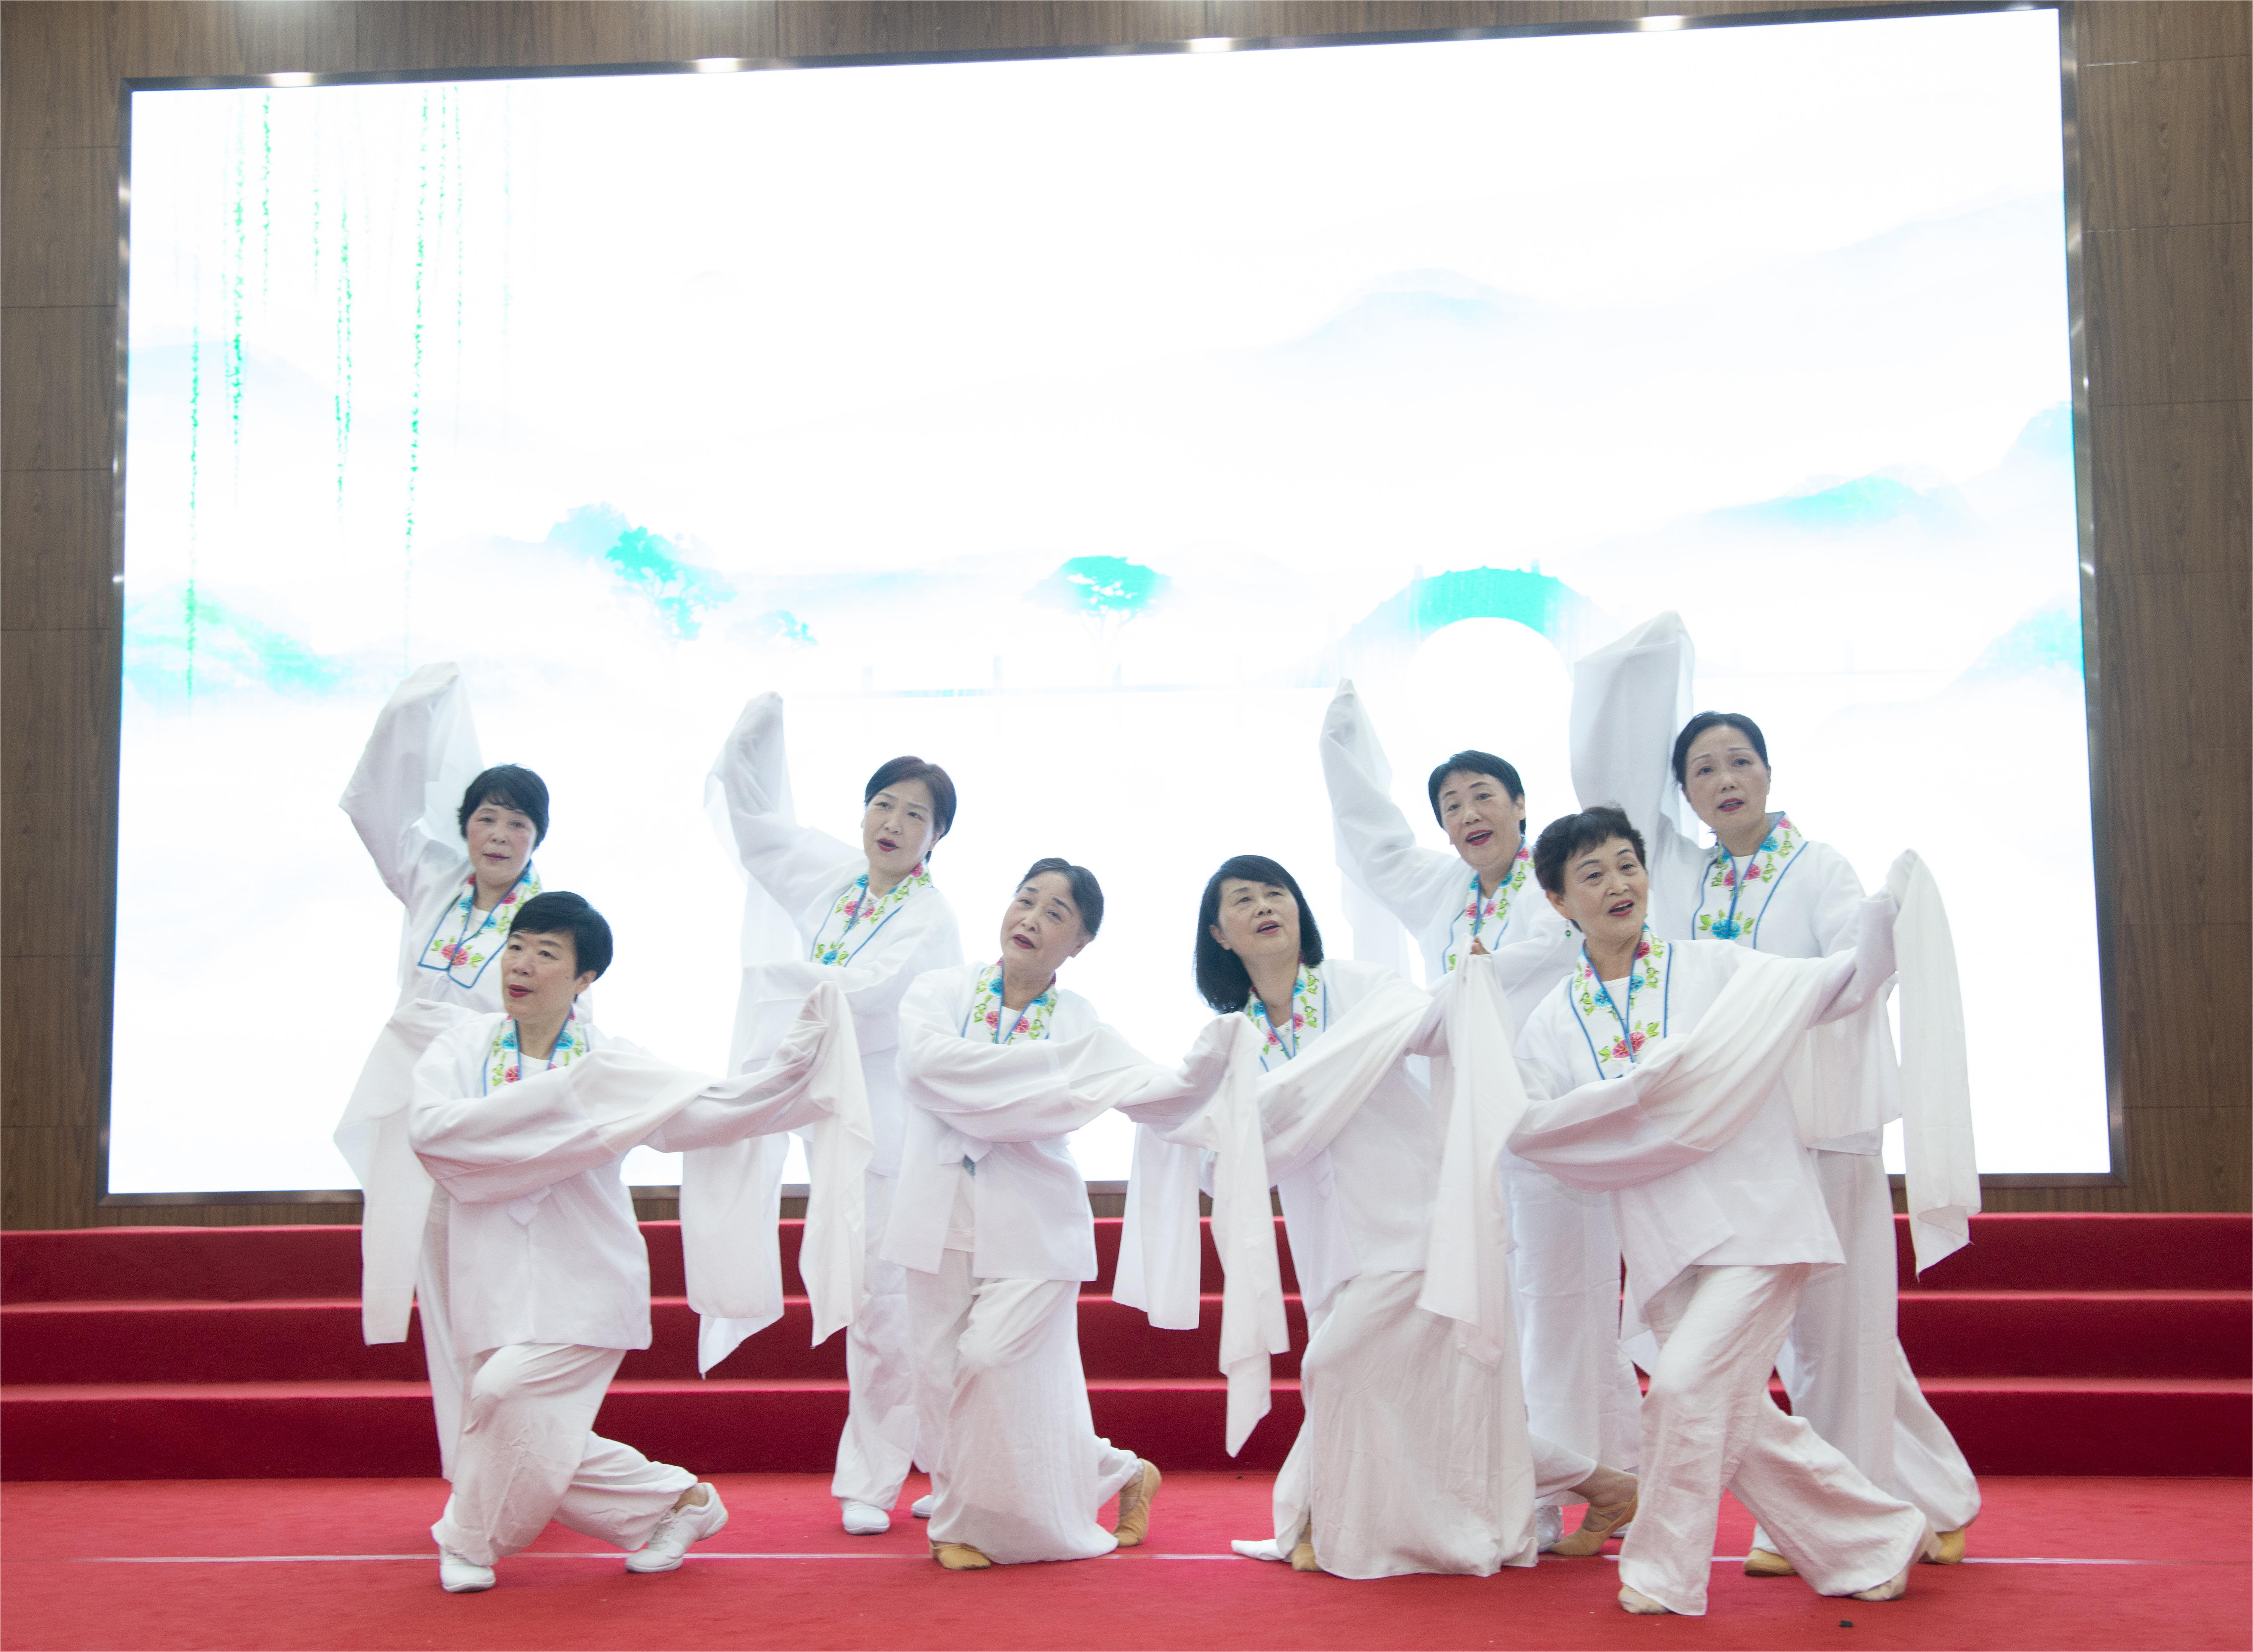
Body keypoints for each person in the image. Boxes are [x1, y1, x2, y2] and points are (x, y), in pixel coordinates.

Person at [1568, 614, 1979, 1569]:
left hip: (1823, 1125)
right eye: (1703, 769)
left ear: (1767, 772)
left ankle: (1849, 1516)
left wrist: (1866, 938)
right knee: (1797, 1338)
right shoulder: (1684, 877)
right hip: (1739, 1139)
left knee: (1841, 1330)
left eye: (1739, 761)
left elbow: (1855, 976)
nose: (1724, 779)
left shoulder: (1819, 865)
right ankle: (1924, 1495)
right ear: (1683, 794)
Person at [1509, 807, 1938, 1617]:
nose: (1619, 883)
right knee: (1739, 1421)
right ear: (1560, 901)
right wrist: (1636, 1095)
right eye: (1593, 874)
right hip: (1663, 1246)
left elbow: (1838, 986)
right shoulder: (1551, 1021)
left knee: (1680, 1391)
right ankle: (1878, 1534)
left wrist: (1885, 920)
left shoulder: (1717, 966)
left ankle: (1662, 1571)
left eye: (1628, 864)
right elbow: (1531, 1127)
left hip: (1759, 1223)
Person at [407, 890, 872, 1592]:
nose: (521, 964)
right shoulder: (463, 1048)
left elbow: (707, 1111)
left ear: (585, 978)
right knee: (528, 1429)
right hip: (489, 1275)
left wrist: (796, 1066)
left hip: (588, 1278)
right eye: (516, 946)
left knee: (504, 1396)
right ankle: (679, 1503)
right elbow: (433, 1137)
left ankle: (468, 1539)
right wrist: (575, 1116)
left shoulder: (611, 1065)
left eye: (545, 952)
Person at [1201, 854, 1640, 1580]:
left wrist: (1470, 980)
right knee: (1436, 1407)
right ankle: (1608, 1487)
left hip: (1416, 1220)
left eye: (1276, 892)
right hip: (1332, 1244)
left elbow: (1435, 1026)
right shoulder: (1235, 1039)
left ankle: (1311, 1520)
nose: (1264, 906)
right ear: (1219, 933)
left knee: (1334, 1368)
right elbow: (1223, 1156)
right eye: (1242, 900)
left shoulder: (1359, 987)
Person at [1319, 682, 1637, 1553]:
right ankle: (1588, 1483)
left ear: (1520, 805)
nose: (1467, 813)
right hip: (1465, 1135)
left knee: (1563, 1310)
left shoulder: (1555, 884)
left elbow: (1548, 956)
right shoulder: (1443, 888)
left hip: (1546, 1126)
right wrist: (1343, 741)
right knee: (1503, 1316)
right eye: (1451, 805)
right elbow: (1375, 844)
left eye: (1483, 795)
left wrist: (1468, 980)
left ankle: (1575, 1491)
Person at [885, 858, 1241, 1568]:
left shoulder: (1083, 1025)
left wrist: (1213, 1071)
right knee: (939, 1379)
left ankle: (961, 1527)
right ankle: (1120, 1473)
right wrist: (1046, 1089)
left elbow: (1153, 1090)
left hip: (1036, 1225)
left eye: (1056, 914)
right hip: (935, 1212)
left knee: (988, 1363)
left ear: (1079, 943)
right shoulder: (940, 990)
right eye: (1026, 900)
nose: (1032, 919)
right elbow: (924, 1067)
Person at [706, 692, 965, 1535]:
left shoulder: (929, 916)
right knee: (886, 1299)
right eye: (884, 804)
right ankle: (947, 1467)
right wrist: (754, 736)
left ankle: (876, 1476)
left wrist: (782, 982)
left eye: (917, 815)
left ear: (936, 838)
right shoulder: (833, 878)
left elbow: (878, 997)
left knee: (892, 1301)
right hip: (837, 1124)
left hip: (897, 1129)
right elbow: (758, 833)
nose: (894, 822)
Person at [334, 662, 566, 1474]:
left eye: (518, 824)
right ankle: (468, 1470)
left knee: (500, 1293)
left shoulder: (550, 919)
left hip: (494, 1116)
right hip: (417, 1106)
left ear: (537, 839)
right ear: (464, 827)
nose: (499, 836)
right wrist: (408, 709)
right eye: (487, 819)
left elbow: (565, 1030)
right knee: (436, 1283)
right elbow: (371, 804)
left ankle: (522, 1461)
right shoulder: (431, 880)